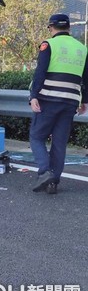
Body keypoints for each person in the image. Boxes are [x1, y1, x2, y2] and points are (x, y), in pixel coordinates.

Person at [29, 13, 88, 194]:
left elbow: (40, 72)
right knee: (59, 143)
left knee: (37, 136)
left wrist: (33, 96)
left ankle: (45, 172)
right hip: (70, 102)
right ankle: (53, 182)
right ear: (69, 28)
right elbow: (86, 78)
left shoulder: (48, 44)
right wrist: (84, 101)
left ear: (51, 27)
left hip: (48, 99)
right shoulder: (82, 48)